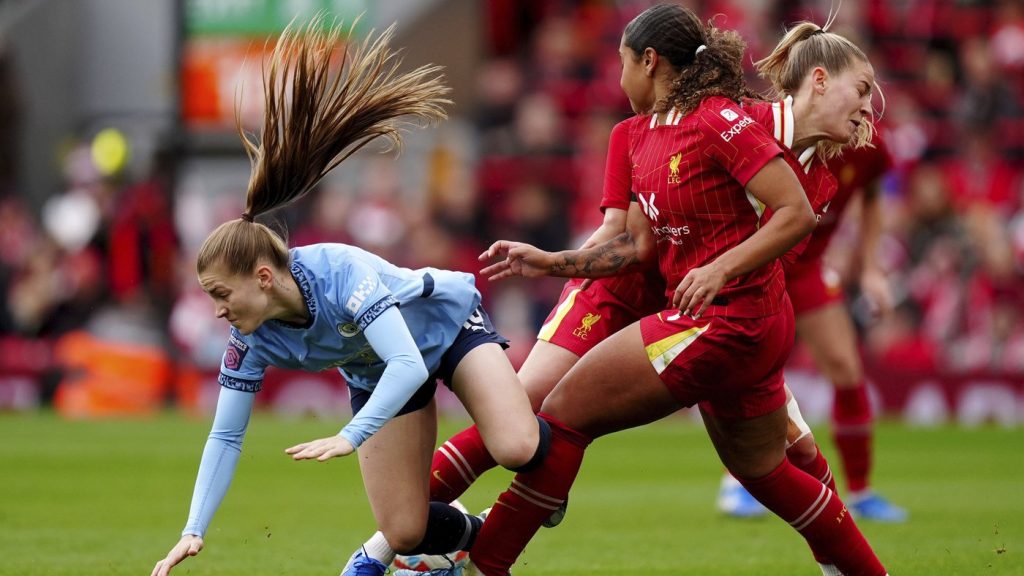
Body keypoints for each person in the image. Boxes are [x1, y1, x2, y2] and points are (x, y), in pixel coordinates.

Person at [402, 5, 888, 576]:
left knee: (564, 423)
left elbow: (772, 242)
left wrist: (745, 317)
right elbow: (633, 240)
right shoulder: (723, 122)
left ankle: (475, 552)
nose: (869, 107)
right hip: (637, 297)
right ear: (821, 81)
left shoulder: (812, 170)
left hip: (708, 314)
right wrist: (558, 262)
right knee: (526, 413)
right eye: (862, 89)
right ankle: (402, 538)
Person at [150, 17, 551, 576]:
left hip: (445, 330)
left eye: (221, 292)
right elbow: (226, 433)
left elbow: (409, 362)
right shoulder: (251, 339)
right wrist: (193, 531)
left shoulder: (341, 271)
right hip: (378, 378)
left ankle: (553, 439)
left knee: (518, 447)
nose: (217, 308)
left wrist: (349, 436)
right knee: (406, 530)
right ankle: (470, 534)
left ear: (263, 278)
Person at [719, 132, 910, 522]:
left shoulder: (871, 144)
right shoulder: (784, 131)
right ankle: (737, 483)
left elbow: (871, 196)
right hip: (763, 261)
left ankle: (861, 491)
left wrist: (872, 267)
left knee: (846, 368)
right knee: (752, 372)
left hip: (808, 268)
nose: (864, 107)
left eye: (867, 93)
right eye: (858, 91)